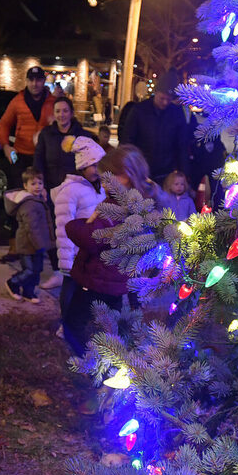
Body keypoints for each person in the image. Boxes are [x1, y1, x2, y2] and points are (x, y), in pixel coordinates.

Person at [62, 144, 153, 355]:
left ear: (125, 177)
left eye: (106, 179)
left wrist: (74, 225)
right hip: (116, 282)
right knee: (109, 329)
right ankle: (109, 366)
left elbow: (91, 238)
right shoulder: (142, 202)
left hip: (98, 281)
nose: (102, 185)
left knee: (72, 326)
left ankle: (92, 365)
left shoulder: (116, 208)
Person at [51, 136, 105, 313]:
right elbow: (63, 227)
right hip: (74, 254)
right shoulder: (71, 191)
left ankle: (80, 323)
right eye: (94, 165)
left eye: (100, 165)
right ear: (82, 165)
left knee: (86, 291)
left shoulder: (100, 189)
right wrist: (67, 260)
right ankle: (66, 324)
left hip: (91, 252)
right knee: (70, 288)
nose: (98, 170)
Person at [118, 70, 192, 181]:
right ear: (156, 92)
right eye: (162, 98)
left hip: (166, 173)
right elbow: (127, 141)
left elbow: (181, 145)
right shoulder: (139, 110)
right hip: (141, 171)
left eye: (169, 99)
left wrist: (184, 174)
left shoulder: (176, 113)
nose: (165, 102)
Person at [0, 66, 55, 194]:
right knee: (18, 192)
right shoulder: (17, 101)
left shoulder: (53, 102)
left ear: (44, 81)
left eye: (38, 80)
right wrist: (5, 146)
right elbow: (4, 124)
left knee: (42, 193)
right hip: (20, 155)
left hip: (43, 156)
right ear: (27, 81)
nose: (35, 84)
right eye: (31, 80)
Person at [3, 167, 53, 303]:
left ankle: (28, 292)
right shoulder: (29, 204)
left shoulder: (38, 200)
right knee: (29, 270)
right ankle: (13, 283)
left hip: (37, 243)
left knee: (37, 270)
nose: (38, 186)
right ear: (25, 186)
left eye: (40, 183)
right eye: (33, 183)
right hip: (27, 243)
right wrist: (40, 244)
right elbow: (32, 227)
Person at [31, 93, 94, 192]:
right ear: (54, 114)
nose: (61, 115)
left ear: (71, 113)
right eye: (57, 111)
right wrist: (40, 185)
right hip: (50, 188)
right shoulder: (46, 134)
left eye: (65, 111)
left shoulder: (82, 135)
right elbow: (38, 160)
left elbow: (90, 163)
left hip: (75, 189)